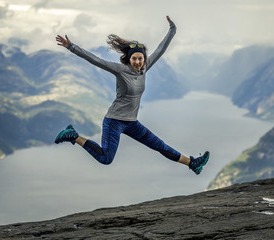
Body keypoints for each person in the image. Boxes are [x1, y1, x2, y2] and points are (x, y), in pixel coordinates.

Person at [54, 16, 209, 175]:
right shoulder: (120, 70)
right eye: (134, 58)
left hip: (132, 123)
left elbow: (161, 49)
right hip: (114, 121)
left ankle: (192, 163)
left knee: (158, 145)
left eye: (140, 58)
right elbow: (95, 60)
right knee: (106, 158)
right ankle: (74, 136)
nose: (137, 62)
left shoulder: (144, 68)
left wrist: (172, 30)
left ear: (144, 58)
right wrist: (71, 46)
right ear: (129, 59)